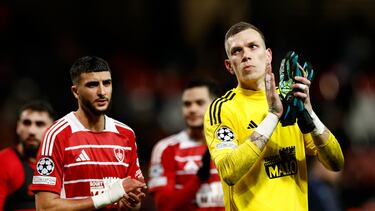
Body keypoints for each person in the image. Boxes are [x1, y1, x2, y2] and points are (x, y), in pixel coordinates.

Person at [203, 21, 345, 210]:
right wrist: (273, 116)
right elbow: (229, 171)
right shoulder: (222, 109)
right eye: (237, 51)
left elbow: (336, 162)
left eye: (253, 46)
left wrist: (309, 113)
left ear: (268, 55)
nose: (246, 55)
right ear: (229, 65)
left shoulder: (292, 101)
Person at [30, 56, 147, 210]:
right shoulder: (57, 135)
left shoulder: (126, 134)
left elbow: (135, 203)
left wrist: (131, 203)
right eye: (92, 85)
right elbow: (45, 207)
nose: (102, 92)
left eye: (107, 83)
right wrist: (106, 197)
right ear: (75, 91)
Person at [148, 78, 225, 211]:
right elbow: (164, 205)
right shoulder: (166, 148)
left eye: (200, 103)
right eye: (187, 104)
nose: (192, 109)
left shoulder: (234, 144)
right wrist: (198, 180)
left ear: (216, 106)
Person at [0, 100, 54, 210]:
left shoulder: (62, 162)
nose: (31, 131)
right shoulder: (4, 162)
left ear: (52, 129)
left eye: (39, 124)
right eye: (26, 123)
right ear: (17, 127)